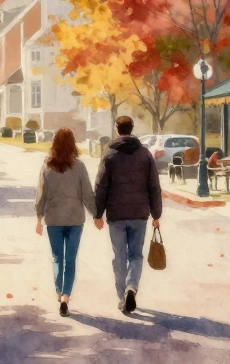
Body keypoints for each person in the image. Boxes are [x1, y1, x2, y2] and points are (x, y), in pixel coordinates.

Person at [94, 115, 162, 315]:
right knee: (136, 254)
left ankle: (122, 296)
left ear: (117, 129)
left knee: (119, 256)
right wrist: (156, 214)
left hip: (116, 214)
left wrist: (98, 213)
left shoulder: (109, 155)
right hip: (139, 214)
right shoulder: (145, 154)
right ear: (131, 129)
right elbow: (154, 186)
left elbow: (101, 187)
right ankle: (132, 286)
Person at [34, 128, 95, 318]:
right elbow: (87, 194)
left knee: (57, 258)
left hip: (53, 220)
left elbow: (41, 195)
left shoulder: (47, 167)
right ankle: (66, 297)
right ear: (72, 144)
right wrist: (96, 214)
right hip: (75, 219)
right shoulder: (79, 167)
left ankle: (59, 292)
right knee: (70, 259)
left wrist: (38, 217)